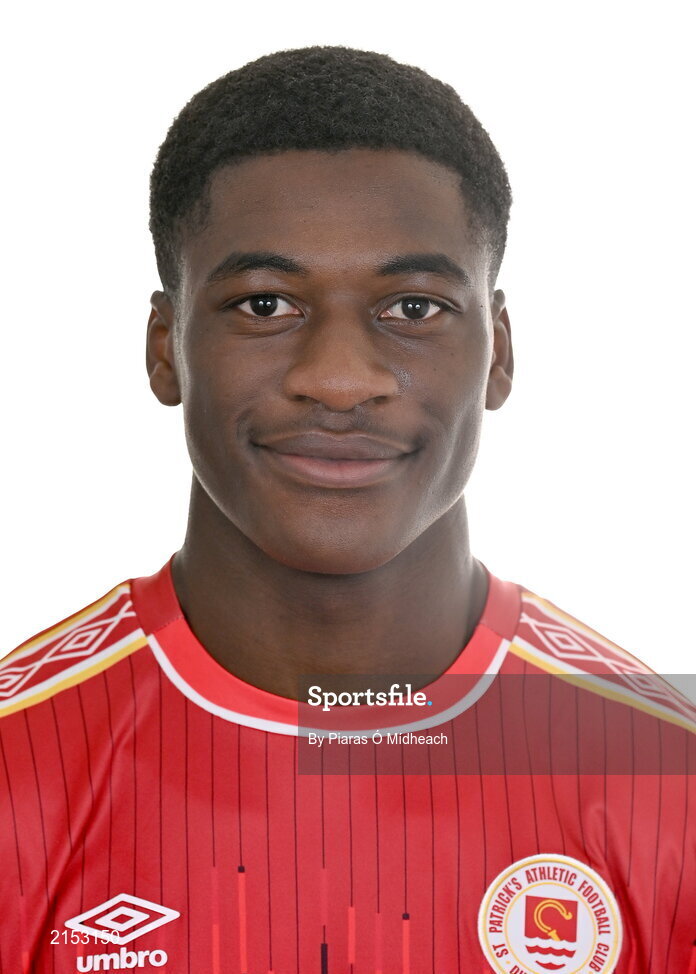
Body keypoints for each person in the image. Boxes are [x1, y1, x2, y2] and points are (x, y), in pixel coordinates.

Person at [0, 46, 693, 974]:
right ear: (166, 348)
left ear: (499, 352)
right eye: (265, 304)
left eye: (413, 307)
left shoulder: (669, 781)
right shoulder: (16, 771)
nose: (337, 379)